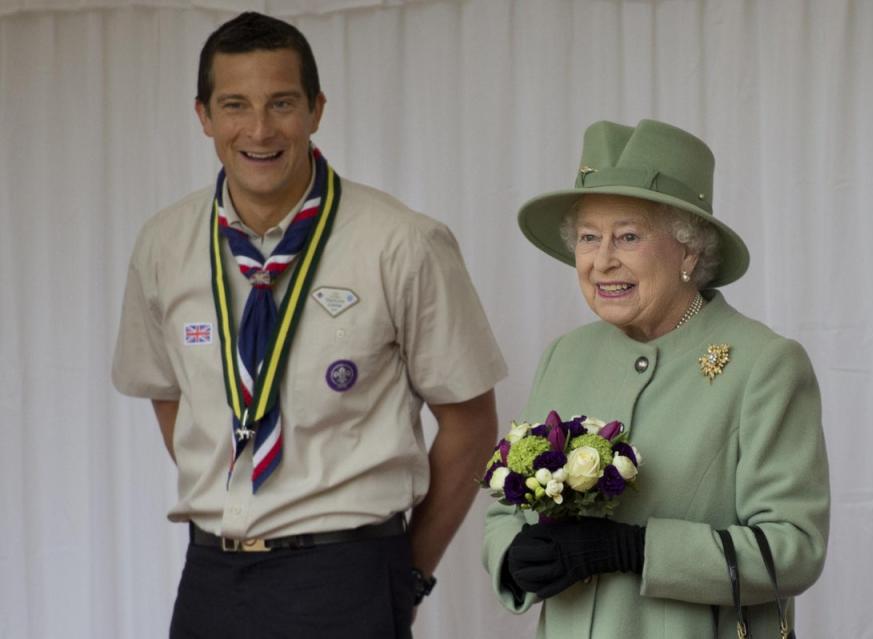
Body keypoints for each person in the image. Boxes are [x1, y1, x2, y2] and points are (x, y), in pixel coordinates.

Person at [112, 11, 506, 638]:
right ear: (204, 116)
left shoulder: (402, 243)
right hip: (211, 576)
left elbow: (470, 421)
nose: (260, 129)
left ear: (317, 109)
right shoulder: (164, 244)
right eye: (235, 105)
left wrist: (405, 575)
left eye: (283, 103)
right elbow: (169, 394)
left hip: (346, 577)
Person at [482, 119, 829, 638]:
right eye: (587, 237)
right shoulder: (565, 355)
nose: (602, 261)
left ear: (689, 251)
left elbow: (795, 549)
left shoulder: (765, 364)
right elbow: (503, 511)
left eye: (628, 236)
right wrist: (513, 555)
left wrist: (637, 550)